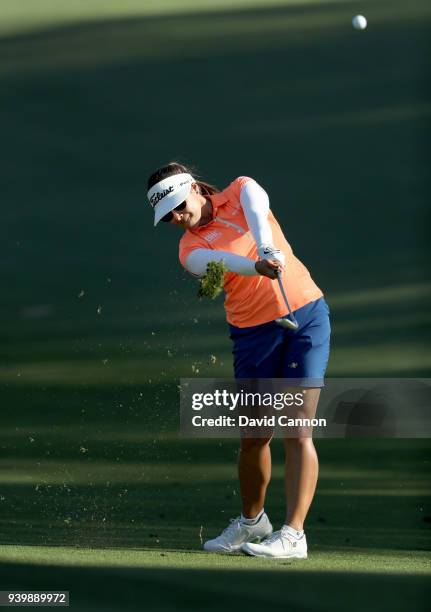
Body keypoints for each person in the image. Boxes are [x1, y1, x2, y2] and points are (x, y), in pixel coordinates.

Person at [146, 161, 331, 559]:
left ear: (194, 188)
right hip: (252, 335)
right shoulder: (190, 248)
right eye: (170, 216)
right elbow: (221, 265)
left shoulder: (238, 191)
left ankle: (294, 535)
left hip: (306, 314)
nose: (178, 218)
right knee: (253, 438)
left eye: (179, 205)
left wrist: (266, 246)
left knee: (298, 430)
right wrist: (256, 265)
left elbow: (255, 200)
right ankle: (252, 523)